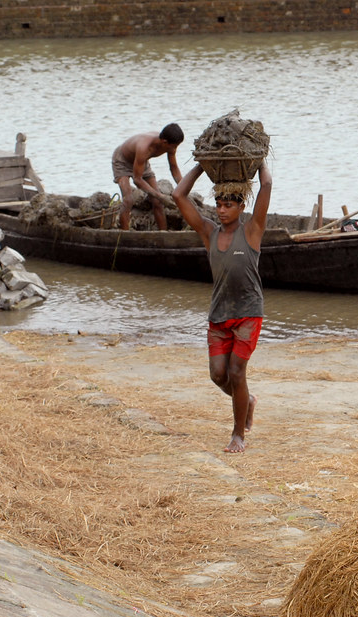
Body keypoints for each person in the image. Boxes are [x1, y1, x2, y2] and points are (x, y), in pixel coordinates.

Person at [172, 161, 272, 453]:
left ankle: (237, 434)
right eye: (218, 203)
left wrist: (261, 161)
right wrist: (202, 165)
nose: (221, 209)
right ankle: (247, 400)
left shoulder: (252, 230)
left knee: (237, 371)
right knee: (219, 374)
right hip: (219, 314)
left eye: (228, 204)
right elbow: (179, 195)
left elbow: (266, 186)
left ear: (241, 208)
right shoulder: (209, 233)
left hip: (248, 312)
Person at [112, 124, 184, 230]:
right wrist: (161, 196)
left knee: (157, 202)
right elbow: (137, 180)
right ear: (164, 142)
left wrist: (183, 189)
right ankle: (125, 235)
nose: (175, 149)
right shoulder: (144, 147)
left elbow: (174, 168)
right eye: (174, 146)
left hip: (141, 163)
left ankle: (162, 234)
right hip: (122, 161)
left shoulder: (170, 145)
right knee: (128, 200)